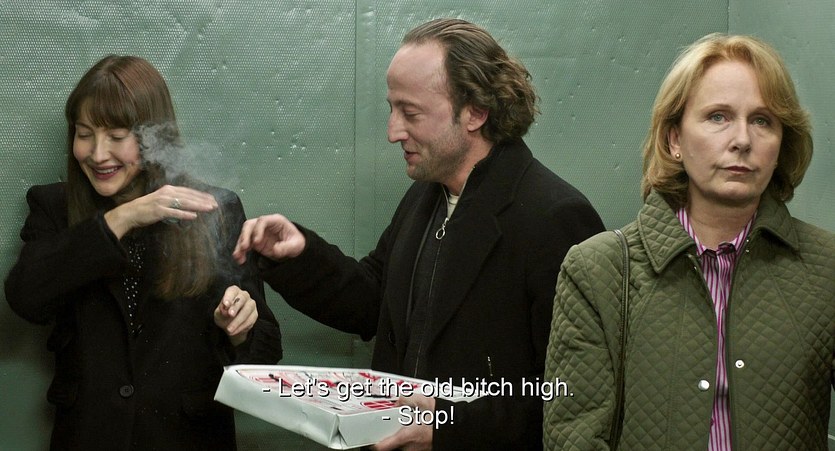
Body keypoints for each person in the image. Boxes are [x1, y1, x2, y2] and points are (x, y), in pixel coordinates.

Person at [234, 18, 604, 450]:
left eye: (410, 113)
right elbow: (374, 302)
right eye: (392, 109)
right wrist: (298, 255)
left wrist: (450, 428)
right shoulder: (426, 197)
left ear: (475, 112)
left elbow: (574, 395)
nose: (393, 131)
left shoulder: (555, 218)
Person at [543, 33, 835, 450]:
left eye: (762, 120)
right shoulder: (598, 271)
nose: (742, 140)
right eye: (718, 117)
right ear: (674, 139)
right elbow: (572, 438)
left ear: (781, 141)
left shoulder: (825, 267)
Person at [4, 55, 283, 450]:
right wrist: (123, 218)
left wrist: (239, 329)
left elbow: (266, 350)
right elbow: (26, 297)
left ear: (154, 138)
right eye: (84, 133)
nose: (98, 153)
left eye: (116, 136)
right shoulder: (53, 208)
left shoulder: (213, 209)